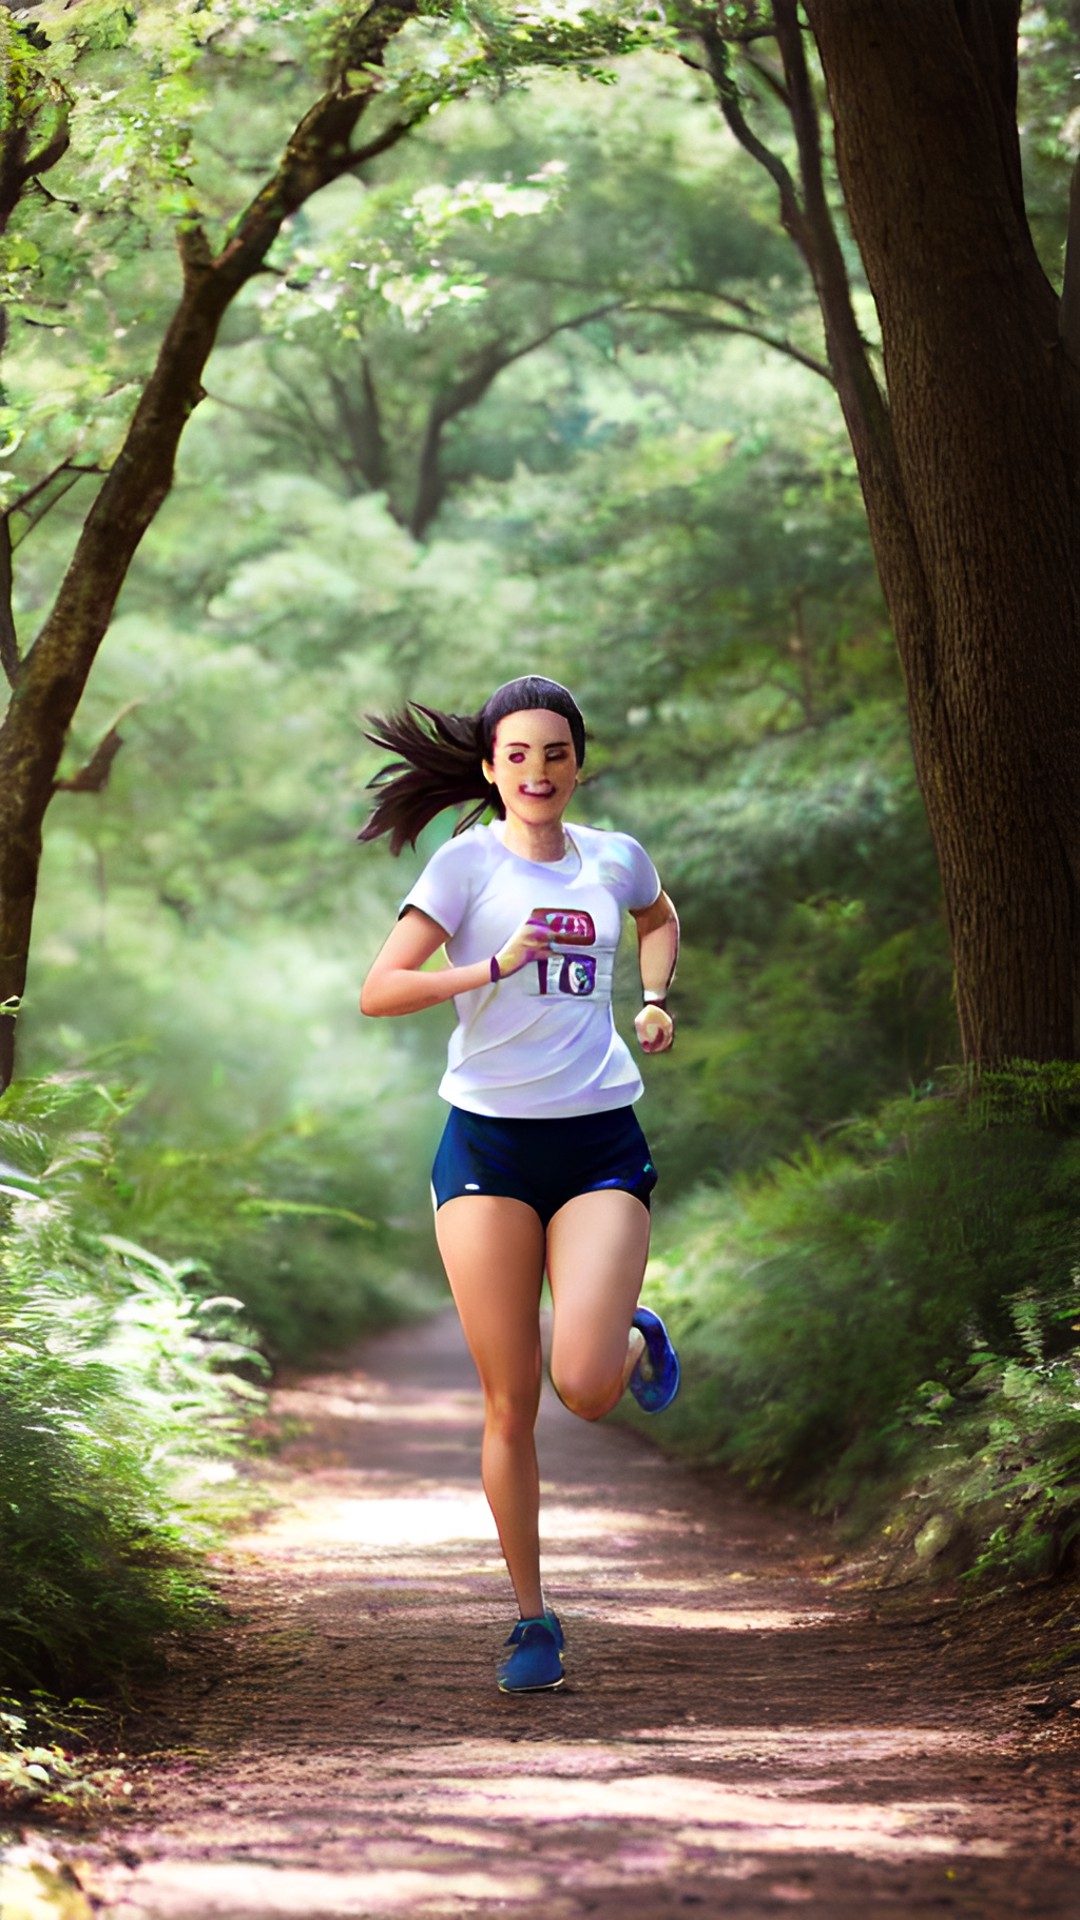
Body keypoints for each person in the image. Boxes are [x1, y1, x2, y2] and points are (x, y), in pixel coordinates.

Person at [358, 676, 680, 1694]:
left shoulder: (617, 858)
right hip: (488, 1150)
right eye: (517, 755)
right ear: (492, 770)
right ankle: (532, 1619)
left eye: (555, 753)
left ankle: (634, 1335)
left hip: (596, 1144)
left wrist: (657, 997)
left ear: (578, 761)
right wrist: (489, 967)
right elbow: (380, 991)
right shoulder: (463, 867)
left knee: (584, 1388)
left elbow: (660, 917)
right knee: (511, 1403)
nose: (537, 772)